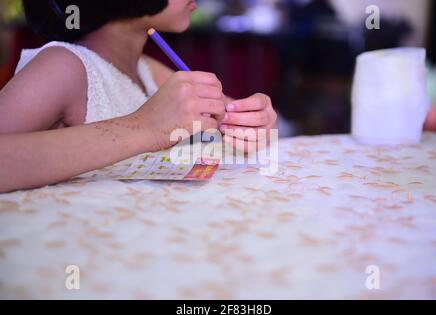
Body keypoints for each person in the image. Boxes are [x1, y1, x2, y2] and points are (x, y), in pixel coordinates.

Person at [0, 0, 278, 193]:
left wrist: (253, 121)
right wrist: (144, 127)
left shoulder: (148, 71)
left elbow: (231, 118)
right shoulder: (63, 66)